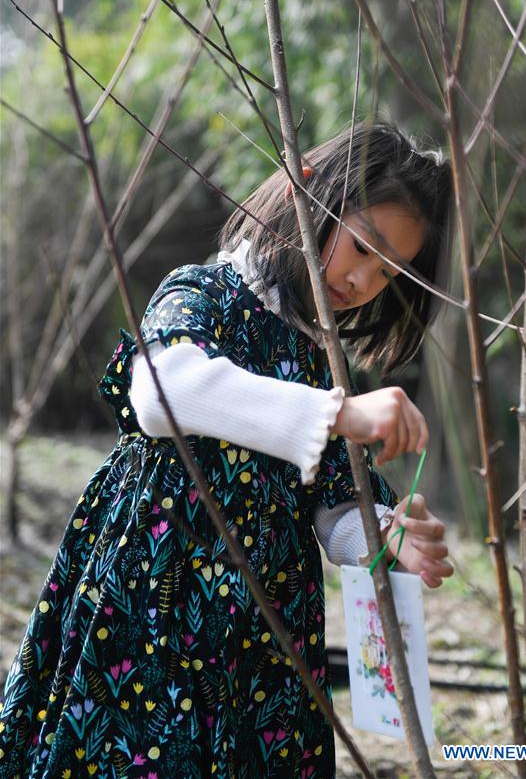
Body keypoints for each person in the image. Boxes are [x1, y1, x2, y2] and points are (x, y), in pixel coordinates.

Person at [0, 121, 454, 778]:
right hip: (155, 602)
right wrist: (337, 412)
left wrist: (385, 536)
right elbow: (160, 394)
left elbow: (331, 505)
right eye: (361, 246)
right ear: (305, 192)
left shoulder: (320, 359)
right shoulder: (203, 295)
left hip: (263, 632)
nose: (362, 280)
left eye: (387, 272)